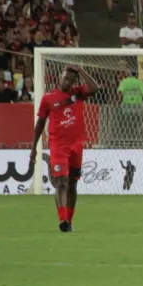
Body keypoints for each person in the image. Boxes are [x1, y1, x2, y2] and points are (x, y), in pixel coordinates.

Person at [29, 65, 99, 232]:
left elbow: (96, 88)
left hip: (76, 146)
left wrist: (81, 71)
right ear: (59, 78)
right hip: (58, 146)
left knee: (73, 185)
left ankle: (69, 220)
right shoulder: (48, 98)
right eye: (65, 78)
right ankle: (62, 221)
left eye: (71, 80)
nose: (67, 82)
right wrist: (33, 147)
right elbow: (39, 124)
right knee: (61, 183)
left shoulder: (78, 93)